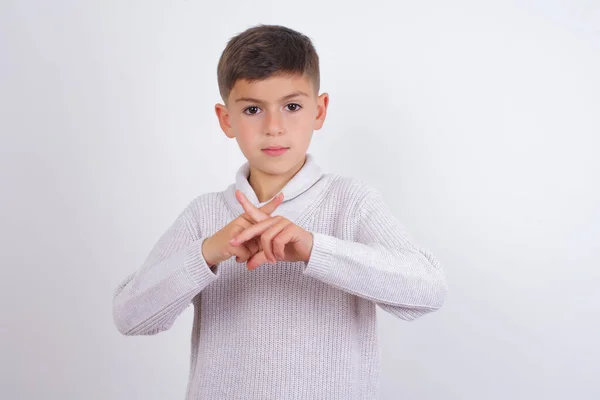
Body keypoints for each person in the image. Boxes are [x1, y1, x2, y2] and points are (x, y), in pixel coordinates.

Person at [112, 23, 448, 400]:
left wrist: (314, 249)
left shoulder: (350, 202)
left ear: (319, 110)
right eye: (253, 109)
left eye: (292, 106)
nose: (274, 127)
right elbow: (131, 317)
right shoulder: (204, 215)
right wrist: (207, 253)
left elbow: (428, 289)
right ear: (226, 120)